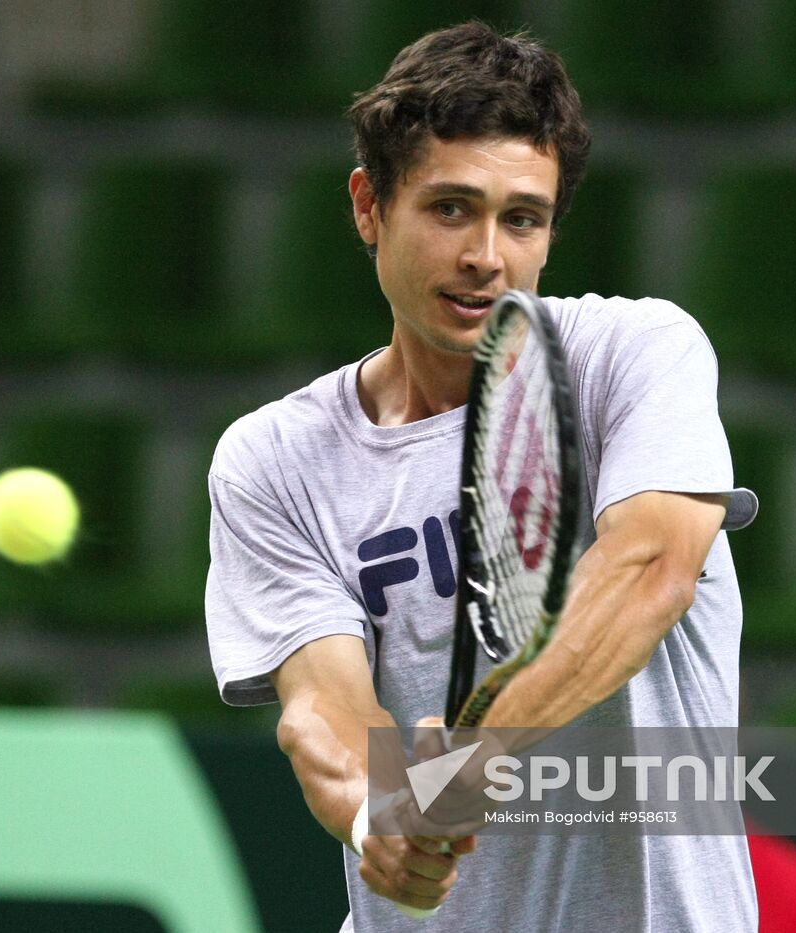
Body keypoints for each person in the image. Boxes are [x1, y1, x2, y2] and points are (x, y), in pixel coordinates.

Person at [205, 20, 759, 931]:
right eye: (450, 208)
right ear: (368, 206)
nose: (486, 256)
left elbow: (649, 574)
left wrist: (466, 761)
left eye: (523, 218)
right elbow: (324, 709)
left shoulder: (635, 355)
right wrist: (375, 812)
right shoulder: (276, 459)